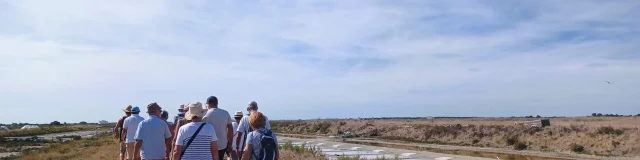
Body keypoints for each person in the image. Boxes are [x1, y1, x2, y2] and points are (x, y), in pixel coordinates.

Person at [202, 96, 233, 160]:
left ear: (208, 104)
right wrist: (230, 143)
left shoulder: (205, 115)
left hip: (209, 145)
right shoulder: (225, 113)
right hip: (222, 144)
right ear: (217, 103)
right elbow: (230, 128)